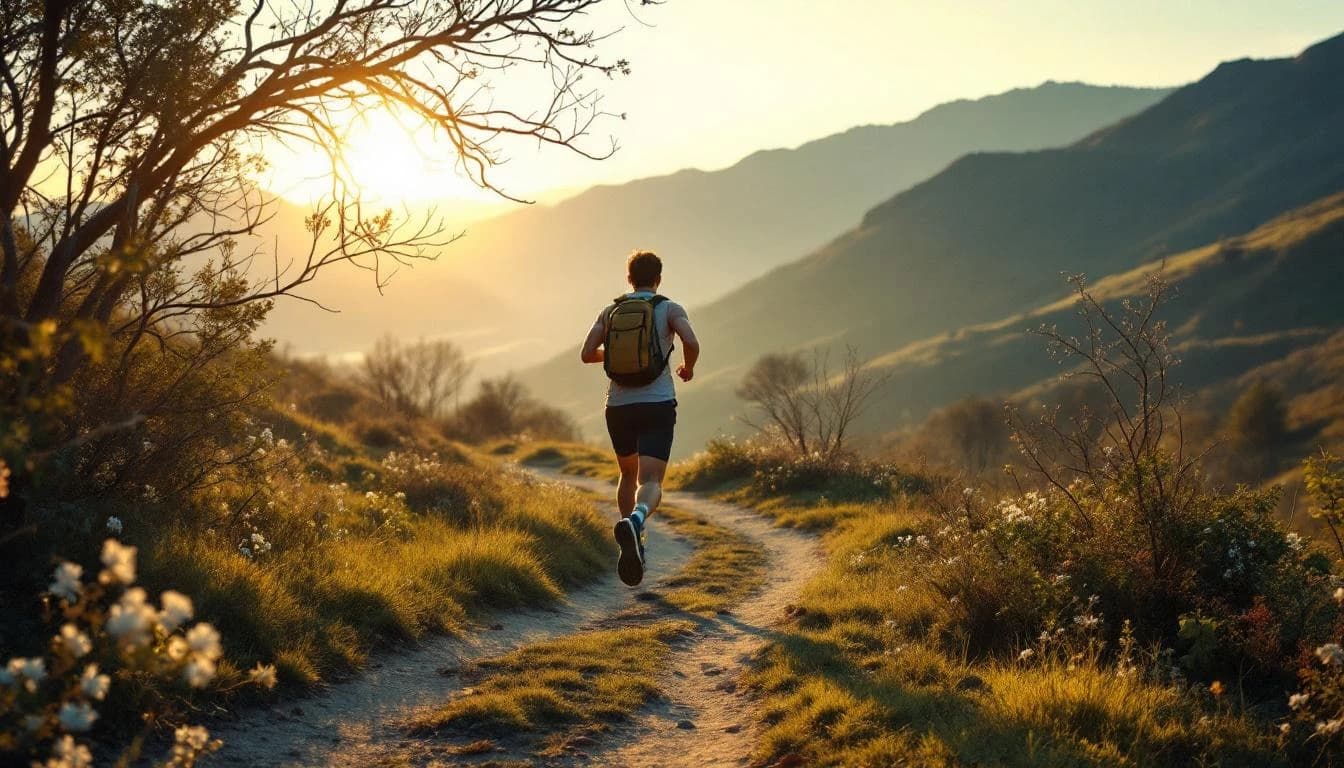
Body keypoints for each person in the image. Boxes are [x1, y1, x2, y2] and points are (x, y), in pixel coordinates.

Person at [580, 250, 699, 586]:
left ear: (628, 278)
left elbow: (587, 354)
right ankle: (636, 521)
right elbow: (691, 340)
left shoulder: (611, 310)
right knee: (651, 481)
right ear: (658, 279)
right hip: (657, 403)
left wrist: (616, 353)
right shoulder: (669, 308)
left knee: (627, 472)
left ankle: (630, 544)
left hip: (618, 406)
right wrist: (687, 368)